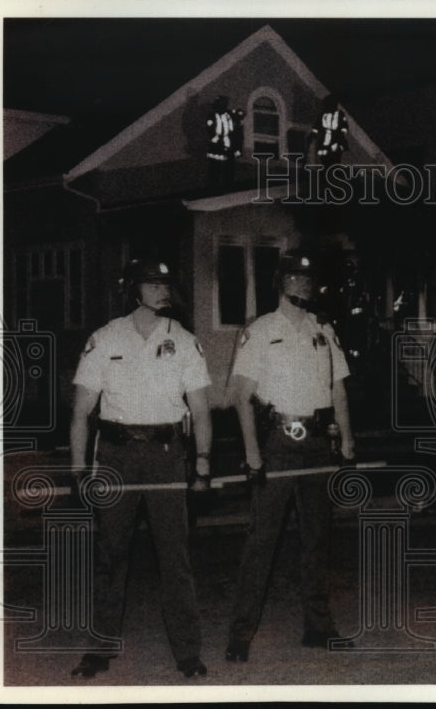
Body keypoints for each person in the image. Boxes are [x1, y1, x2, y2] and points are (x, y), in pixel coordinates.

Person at [69, 259, 212, 679]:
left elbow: (201, 410)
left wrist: (201, 463)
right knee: (111, 556)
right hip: (116, 457)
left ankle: (188, 652)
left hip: (167, 454)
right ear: (133, 289)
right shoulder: (105, 338)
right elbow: (81, 411)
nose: (162, 291)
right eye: (152, 284)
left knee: (175, 558)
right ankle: (99, 649)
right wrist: (79, 471)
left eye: (166, 285)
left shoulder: (184, 341)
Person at [225, 250, 355, 662]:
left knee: (318, 540)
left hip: (318, 443)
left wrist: (347, 440)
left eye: (308, 278)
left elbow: (338, 390)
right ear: (280, 283)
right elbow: (240, 397)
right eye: (294, 278)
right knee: (261, 543)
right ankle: (241, 634)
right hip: (278, 444)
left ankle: (319, 627)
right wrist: (252, 454)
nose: (303, 284)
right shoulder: (260, 331)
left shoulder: (324, 330)